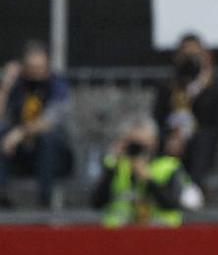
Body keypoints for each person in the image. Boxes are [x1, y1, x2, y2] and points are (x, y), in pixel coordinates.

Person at [0, 40, 75, 208]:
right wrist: (5, 85)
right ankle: (2, 195)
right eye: (31, 68)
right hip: (23, 155)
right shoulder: (17, 85)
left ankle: (44, 201)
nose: (35, 73)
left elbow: (51, 120)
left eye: (39, 68)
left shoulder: (58, 86)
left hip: (56, 158)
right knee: (1, 132)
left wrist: (19, 133)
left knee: (47, 138)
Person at [91, 116, 203, 227]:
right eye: (132, 144)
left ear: (153, 142)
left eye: (141, 145)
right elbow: (97, 202)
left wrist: (149, 180)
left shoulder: (168, 166)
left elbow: (172, 204)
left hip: (160, 234)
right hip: (120, 235)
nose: (137, 150)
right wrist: (112, 166)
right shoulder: (114, 165)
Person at [152, 33, 218, 193]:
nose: (189, 60)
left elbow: (217, 121)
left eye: (194, 54)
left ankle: (193, 189)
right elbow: (158, 116)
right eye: (185, 55)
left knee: (202, 143)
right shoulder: (168, 86)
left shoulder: (213, 87)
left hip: (200, 139)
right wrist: (173, 136)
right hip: (172, 137)